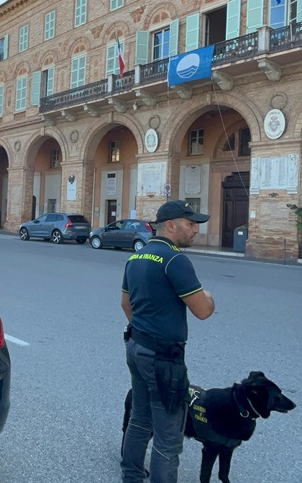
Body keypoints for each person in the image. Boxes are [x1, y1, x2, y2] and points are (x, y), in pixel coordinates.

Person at [120, 199, 216, 483]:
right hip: (163, 358)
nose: (195, 230)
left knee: (139, 418)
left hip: (136, 346)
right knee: (168, 437)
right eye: (190, 224)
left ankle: (132, 477)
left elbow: (126, 304)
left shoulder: (136, 257)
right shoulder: (176, 260)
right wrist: (209, 296)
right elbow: (202, 311)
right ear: (171, 226)